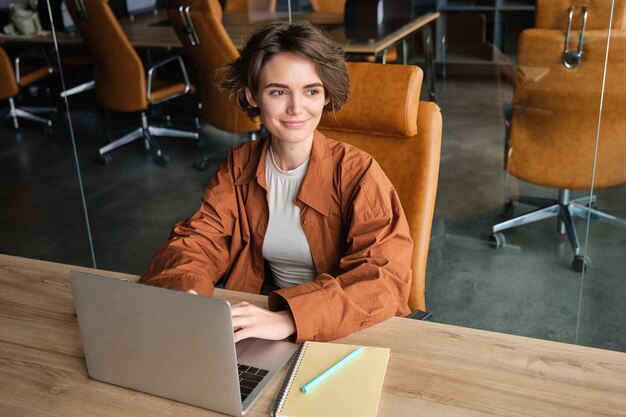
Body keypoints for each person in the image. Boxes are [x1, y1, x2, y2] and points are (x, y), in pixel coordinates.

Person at [140, 21, 413, 344]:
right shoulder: (240, 164)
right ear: (252, 96)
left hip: (344, 326)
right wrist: (186, 293)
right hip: (264, 316)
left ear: (326, 96)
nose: (297, 108)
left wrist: (289, 319)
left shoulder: (359, 172)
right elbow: (199, 239)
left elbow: (384, 277)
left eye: (311, 91)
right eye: (278, 92)